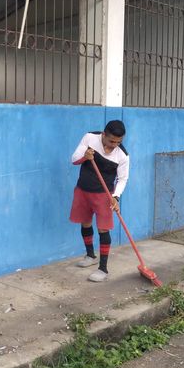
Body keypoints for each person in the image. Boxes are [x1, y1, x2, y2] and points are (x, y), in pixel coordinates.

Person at [70, 120, 130, 282]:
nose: (114, 145)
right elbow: (74, 159)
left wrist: (116, 196)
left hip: (104, 195)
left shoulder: (122, 155)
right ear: (103, 135)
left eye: (119, 142)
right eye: (111, 141)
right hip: (83, 190)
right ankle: (90, 255)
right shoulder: (90, 138)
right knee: (85, 223)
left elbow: (123, 179)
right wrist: (85, 156)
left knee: (103, 229)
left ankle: (103, 269)